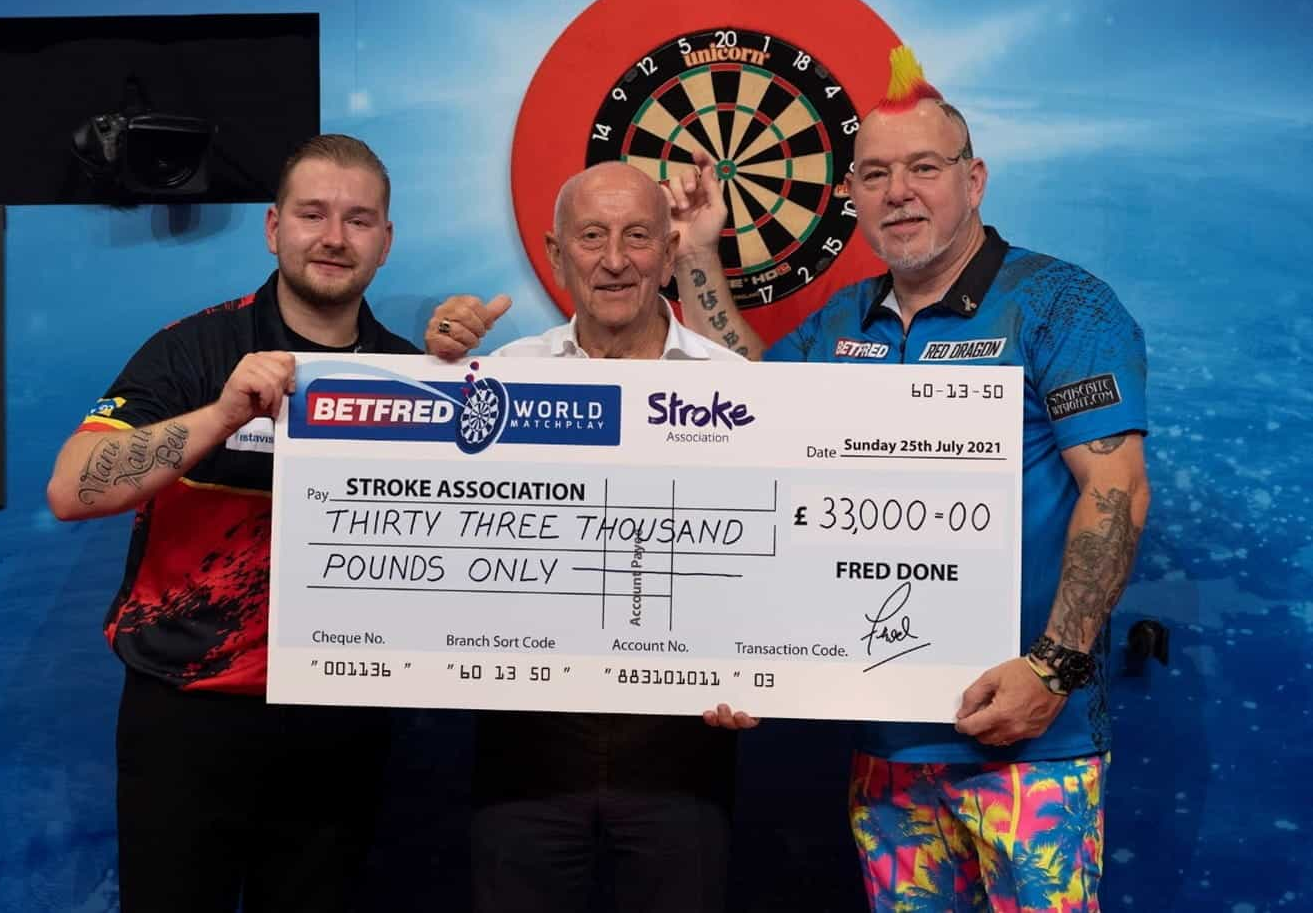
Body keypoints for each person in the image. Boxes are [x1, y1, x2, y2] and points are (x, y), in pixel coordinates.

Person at [669, 47, 1151, 911]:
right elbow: (745, 409)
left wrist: (1051, 669)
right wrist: (700, 253)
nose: (899, 192)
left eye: (924, 168)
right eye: (876, 174)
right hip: (887, 748)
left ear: (975, 180)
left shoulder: (1061, 303)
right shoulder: (844, 319)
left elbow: (1115, 491)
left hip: (1031, 747)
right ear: (851, 196)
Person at [46, 134, 419, 913]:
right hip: (187, 714)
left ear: (385, 242)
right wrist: (219, 415)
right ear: (272, 226)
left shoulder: (411, 375)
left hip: (338, 724)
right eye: (313, 214)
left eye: (358, 220)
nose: (333, 237)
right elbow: (72, 489)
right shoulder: (191, 350)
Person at [425, 161, 757, 913]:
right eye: (593, 237)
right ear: (554, 252)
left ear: (670, 253)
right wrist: (432, 370)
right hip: (525, 753)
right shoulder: (498, 376)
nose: (615, 260)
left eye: (638, 236)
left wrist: (763, 666)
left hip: (684, 753)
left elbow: (765, 567)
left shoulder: (734, 382)